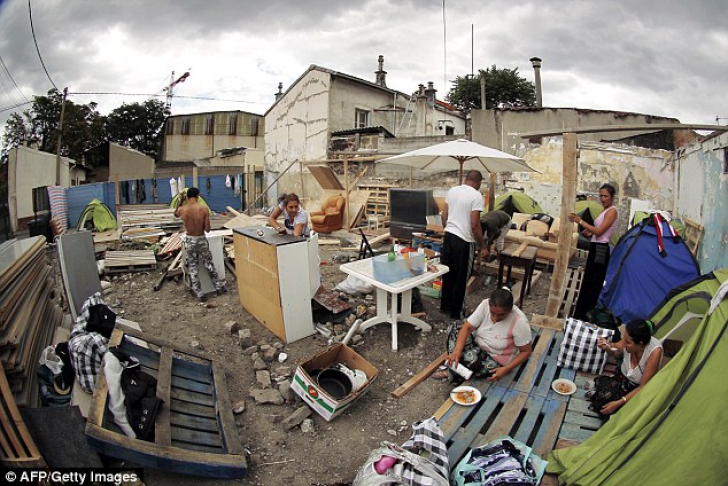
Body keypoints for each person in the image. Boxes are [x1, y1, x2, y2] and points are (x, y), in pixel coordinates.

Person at [433, 287, 533, 383]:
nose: (496, 317)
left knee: (472, 361)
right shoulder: (485, 305)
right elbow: (467, 327)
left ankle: (453, 370)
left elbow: (526, 351)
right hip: (477, 343)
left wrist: (507, 368)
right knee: (455, 327)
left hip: (495, 357)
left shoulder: (519, 322)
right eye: (493, 313)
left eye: (501, 314)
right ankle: (457, 363)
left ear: (510, 310)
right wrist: (457, 350)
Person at [440, 170, 488, 320]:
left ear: (466, 179)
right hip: (464, 241)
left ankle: (445, 307)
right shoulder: (476, 196)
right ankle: (456, 313)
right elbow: (475, 225)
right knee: (461, 278)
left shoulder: (452, 191)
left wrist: (448, 230)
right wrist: (483, 246)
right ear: (478, 182)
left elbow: (444, 215)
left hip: (449, 237)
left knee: (448, 274)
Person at [569, 183, 619, 320]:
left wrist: (580, 221)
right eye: (601, 195)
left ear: (612, 197)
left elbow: (601, 231)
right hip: (596, 246)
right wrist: (590, 232)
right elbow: (599, 231)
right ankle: (581, 313)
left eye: (605, 196)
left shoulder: (612, 211)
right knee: (588, 281)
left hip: (601, 250)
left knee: (593, 283)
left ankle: (586, 314)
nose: (602, 199)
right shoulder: (605, 211)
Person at [593, 319, 662, 415]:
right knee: (602, 399)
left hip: (637, 390)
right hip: (621, 379)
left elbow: (643, 386)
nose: (624, 344)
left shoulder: (654, 352)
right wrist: (606, 347)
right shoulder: (628, 340)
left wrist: (619, 403)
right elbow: (615, 350)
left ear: (640, 344)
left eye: (628, 342)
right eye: (624, 339)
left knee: (619, 410)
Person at [174, 187, 226, 302]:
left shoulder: (182, 209)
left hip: (190, 240)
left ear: (187, 197)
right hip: (201, 239)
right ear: (198, 196)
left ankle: (199, 292)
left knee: (193, 267)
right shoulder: (203, 209)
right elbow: (207, 229)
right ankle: (218, 287)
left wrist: (181, 201)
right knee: (209, 264)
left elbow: (176, 215)